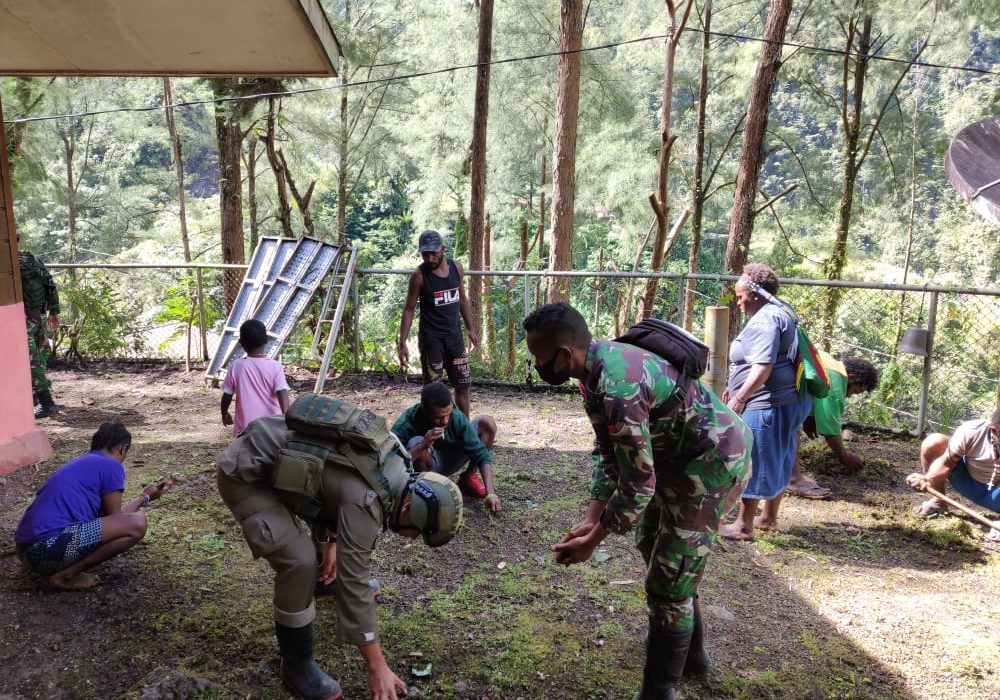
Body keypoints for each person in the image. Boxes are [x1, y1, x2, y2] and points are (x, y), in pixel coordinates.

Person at [523, 303, 751, 700]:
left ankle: (660, 690)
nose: (536, 365)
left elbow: (638, 484)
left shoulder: (618, 387)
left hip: (712, 463)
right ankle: (688, 652)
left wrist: (592, 542)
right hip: (674, 459)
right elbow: (609, 452)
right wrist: (592, 515)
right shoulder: (592, 371)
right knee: (651, 543)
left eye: (538, 358)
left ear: (564, 354)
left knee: (670, 579)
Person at [216, 401, 464, 700]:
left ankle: (322, 580)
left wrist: (331, 545)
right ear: (410, 507)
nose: (411, 539)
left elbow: (331, 485)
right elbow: (354, 581)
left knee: (322, 543)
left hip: (279, 458)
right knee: (299, 561)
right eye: (417, 532)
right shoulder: (368, 500)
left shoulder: (397, 465)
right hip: (246, 474)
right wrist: (377, 667)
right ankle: (296, 663)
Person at [13, 422, 170, 591]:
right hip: (44, 551)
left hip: (26, 553)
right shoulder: (111, 466)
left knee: (132, 523)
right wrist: (144, 499)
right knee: (138, 524)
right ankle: (67, 575)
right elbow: (120, 520)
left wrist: (144, 498)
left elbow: (115, 522)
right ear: (123, 449)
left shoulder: (81, 463)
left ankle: (62, 570)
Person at [720, 263, 812, 541]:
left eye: (739, 296)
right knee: (782, 454)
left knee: (755, 457)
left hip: (768, 404)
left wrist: (739, 397)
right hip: (790, 400)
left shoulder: (764, 320)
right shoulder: (781, 310)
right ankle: (769, 518)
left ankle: (744, 525)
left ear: (755, 293)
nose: (737, 302)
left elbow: (762, 368)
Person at [398, 230, 479, 417]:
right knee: (433, 388)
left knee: (463, 385)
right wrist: (402, 341)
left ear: (443, 250)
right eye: (425, 254)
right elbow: (409, 308)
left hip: (454, 338)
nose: (430, 257)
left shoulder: (456, 268)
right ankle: (435, 430)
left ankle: (464, 429)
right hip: (431, 339)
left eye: (434, 253)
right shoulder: (419, 276)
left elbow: (462, 299)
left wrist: (470, 328)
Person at [391, 381, 500, 512]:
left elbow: (482, 455)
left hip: (454, 457)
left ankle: (468, 478)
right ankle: (429, 494)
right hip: (429, 465)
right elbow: (392, 461)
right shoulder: (408, 421)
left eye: (448, 414)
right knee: (416, 441)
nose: (445, 421)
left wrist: (491, 493)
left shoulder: (456, 417)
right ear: (424, 410)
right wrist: (422, 446)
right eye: (439, 417)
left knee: (486, 423)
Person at [787, 355, 880, 499]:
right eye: (854, 391)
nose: (849, 396)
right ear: (851, 377)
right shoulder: (836, 382)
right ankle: (793, 479)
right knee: (793, 428)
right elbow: (830, 425)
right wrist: (843, 454)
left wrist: (810, 417)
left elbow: (813, 388)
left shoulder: (831, 363)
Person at [907, 407, 1000, 524]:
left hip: (997, 496)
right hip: (967, 482)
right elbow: (946, 462)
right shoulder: (972, 431)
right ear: (993, 431)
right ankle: (938, 501)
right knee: (934, 442)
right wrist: (928, 479)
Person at [221, 319, 290, 435]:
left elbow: (227, 394)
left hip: (246, 427)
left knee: (245, 451)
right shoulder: (275, 366)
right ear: (266, 340)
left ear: (241, 343)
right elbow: (282, 391)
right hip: (272, 425)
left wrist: (224, 412)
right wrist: (286, 416)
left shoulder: (236, 367)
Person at [18, 233, 61, 419]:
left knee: (31, 361)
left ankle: (46, 403)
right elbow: (51, 285)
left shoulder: (12, 265)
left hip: (25, 319)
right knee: (38, 359)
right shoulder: (34, 259)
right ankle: (34, 399)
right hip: (39, 317)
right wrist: (54, 312)